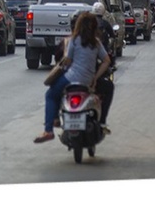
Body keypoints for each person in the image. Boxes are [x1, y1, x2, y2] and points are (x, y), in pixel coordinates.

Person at [35, 11, 110, 144]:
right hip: (87, 81)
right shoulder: (96, 43)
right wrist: (95, 77)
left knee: (51, 94)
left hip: (71, 78)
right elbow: (106, 61)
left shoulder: (74, 40)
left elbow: (68, 60)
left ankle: (49, 129)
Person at [90, 3, 117, 132]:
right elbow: (106, 61)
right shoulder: (104, 26)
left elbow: (64, 61)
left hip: (75, 79)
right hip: (91, 78)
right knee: (109, 87)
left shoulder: (71, 42)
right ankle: (102, 121)